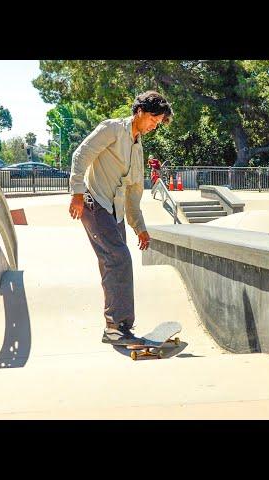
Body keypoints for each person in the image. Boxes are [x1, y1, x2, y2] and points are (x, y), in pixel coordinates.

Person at [68, 91, 174, 345]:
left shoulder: (137, 149)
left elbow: (134, 192)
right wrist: (77, 192)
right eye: (153, 120)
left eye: (157, 124)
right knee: (119, 258)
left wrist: (139, 227)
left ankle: (116, 326)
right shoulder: (112, 129)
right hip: (94, 204)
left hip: (114, 212)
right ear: (140, 112)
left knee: (112, 263)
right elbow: (80, 156)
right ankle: (116, 327)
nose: (153, 126)